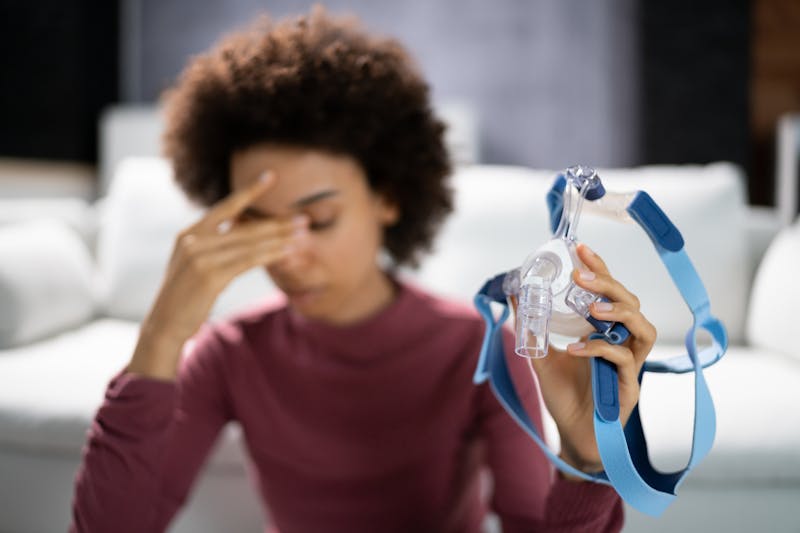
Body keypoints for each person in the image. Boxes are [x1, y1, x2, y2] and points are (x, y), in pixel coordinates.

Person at [70, 7, 656, 533]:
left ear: (389, 198)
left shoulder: (477, 351)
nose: (288, 256)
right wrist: (161, 336)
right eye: (260, 225)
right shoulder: (231, 353)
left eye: (319, 219)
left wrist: (585, 464)